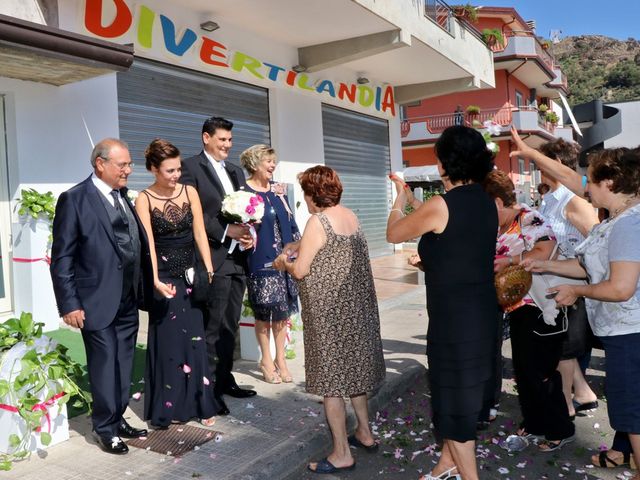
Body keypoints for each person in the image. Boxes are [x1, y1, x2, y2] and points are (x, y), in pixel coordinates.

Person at [386, 125, 499, 480]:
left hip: (455, 320)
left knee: (455, 404)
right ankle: (446, 463)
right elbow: (463, 249)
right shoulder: (486, 201)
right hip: (483, 311)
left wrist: (398, 202)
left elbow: (393, 233)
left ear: (444, 164)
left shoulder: (440, 205)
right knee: (465, 396)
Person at [524, 148, 640, 476]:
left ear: (612, 182)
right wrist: (544, 263)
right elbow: (587, 265)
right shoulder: (616, 219)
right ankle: (621, 452)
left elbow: (620, 287)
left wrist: (576, 291)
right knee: (626, 403)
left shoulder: (628, 225)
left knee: (631, 408)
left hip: (630, 332)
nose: (585, 186)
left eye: (591, 179)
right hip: (621, 330)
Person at [274, 166, 385, 475]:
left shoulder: (317, 221)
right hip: (356, 310)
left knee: (332, 384)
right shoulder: (349, 215)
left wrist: (284, 261)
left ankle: (341, 453)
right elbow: (330, 251)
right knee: (354, 377)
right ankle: (365, 432)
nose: (305, 201)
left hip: (329, 314)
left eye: (306, 195)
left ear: (314, 194)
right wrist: (300, 246)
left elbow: (301, 270)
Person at [50, 138, 153, 454]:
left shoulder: (122, 196)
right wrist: (69, 303)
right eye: (122, 165)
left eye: (129, 164)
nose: (128, 170)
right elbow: (63, 257)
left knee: (123, 362)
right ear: (100, 164)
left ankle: (117, 416)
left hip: (127, 298)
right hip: (96, 300)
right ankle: (104, 428)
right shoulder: (75, 199)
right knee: (105, 365)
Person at [484, 169, 575, 452]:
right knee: (525, 371)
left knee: (540, 371)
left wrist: (510, 260)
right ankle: (536, 422)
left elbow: (545, 251)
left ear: (498, 202)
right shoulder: (501, 224)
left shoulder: (528, 217)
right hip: (517, 307)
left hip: (538, 304)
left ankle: (560, 428)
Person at [135, 139, 219, 428]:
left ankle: (201, 403)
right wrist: (156, 280)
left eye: (178, 168)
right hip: (164, 277)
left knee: (195, 339)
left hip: (190, 274)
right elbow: (148, 245)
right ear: (153, 170)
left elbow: (199, 233)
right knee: (169, 341)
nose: (175, 175)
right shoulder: (143, 199)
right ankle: (168, 408)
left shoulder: (189, 191)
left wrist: (207, 267)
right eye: (169, 170)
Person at [181, 116, 256, 416]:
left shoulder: (236, 171)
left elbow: (248, 208)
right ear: (206, 138)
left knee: (230, 326)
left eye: (229, 140)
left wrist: (249, 233)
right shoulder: (190, 168)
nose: (227, 145)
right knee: (212, 328)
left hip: (238, 259)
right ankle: (208, 389)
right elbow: (192, 213)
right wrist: (227, 232)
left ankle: (225, 379)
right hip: (213, 257)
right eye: (222, 139)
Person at [537, 139, 600, 420]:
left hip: (574, 284)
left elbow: (598, 246)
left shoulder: (574, 202)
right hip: (552, 283)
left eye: (541, 163)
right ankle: (582, 394)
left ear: (557, 165)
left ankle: (566, 406)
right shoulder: (549, 199)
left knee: (563, 348)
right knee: (560, 347)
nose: (538, 169)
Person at [240, 144, 300, 384]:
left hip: (284, 259)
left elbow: (290, 221)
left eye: (273, 161)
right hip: (260, 258)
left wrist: (296, 248)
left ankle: (281, 359)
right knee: (264, 313)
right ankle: (266, 359)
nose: (273, 165)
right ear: (255, 164)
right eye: (268, 161)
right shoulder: (243, 191)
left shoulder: (278, 190)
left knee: (282, 313)